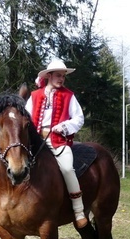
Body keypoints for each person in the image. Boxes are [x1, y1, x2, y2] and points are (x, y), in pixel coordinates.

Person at [25, 60, 88, 228]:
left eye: (63, 76)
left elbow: (79, 118)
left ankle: (79, 211)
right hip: (36, 143)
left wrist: (65, 126)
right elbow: (26, 118)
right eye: (58, 75)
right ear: (49, 76)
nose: (61, 79)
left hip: (58, 141)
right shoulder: (34, 96)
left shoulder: (69, 95)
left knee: (67, 168)